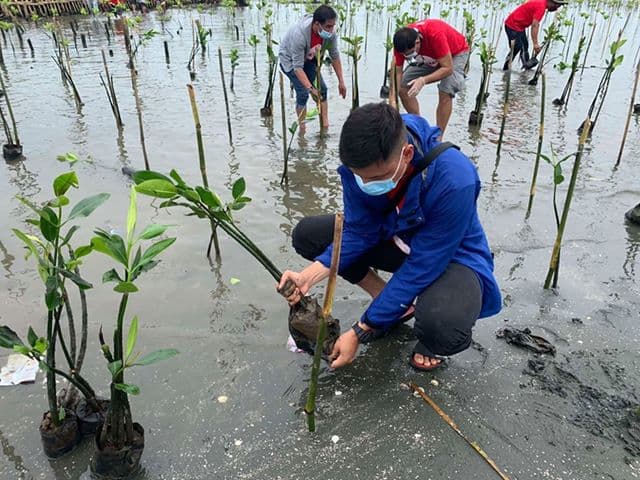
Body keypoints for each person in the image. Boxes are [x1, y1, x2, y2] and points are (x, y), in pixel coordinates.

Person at [278, 103, 501, 371]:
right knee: (310, 236)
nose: (367, 185)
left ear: (406, 154)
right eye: (361, 178)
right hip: (395, 238)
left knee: (441, 325)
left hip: (449, 256)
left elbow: (422, 265)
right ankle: (388, 298)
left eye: (378, 178)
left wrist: (361, 330)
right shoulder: (360, 162)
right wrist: (308, 276)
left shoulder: (455, 178)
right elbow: (359, 230)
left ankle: (430, 340)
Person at [390, 19, 469, 138]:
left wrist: (423, 80)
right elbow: (397, 73)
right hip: (429, 57)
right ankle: (419, 126)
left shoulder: (434, 34)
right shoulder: (401, 42)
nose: (407, 57)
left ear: (417, 41)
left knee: (446, 89)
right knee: (403, 86)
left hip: (454, 54)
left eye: (410, 54)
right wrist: (392, 101)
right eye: (405, 55)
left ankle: (438, 137)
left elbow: (448, 68)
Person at [279, 5, 347, 130]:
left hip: (310, 57)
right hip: (290, 61)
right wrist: (310, 88)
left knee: (322, 90)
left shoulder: (330, 34)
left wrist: (341, 82)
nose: (331, 30)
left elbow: (334, 56)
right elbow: (298, 67)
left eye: (333, 26)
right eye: (328, 26)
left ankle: (325, 125)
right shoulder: (299, 34)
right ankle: (302, 129)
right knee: (303, 92)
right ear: (317, 24)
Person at [503, 0, 568, 70]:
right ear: (551, 1)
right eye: (556, 5)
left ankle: (526, 68)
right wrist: (535, 44)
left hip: (520, 27)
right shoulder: (541, 7)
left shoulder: (541, 3)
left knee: (524, 46)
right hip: (512, 25)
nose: (556, 8)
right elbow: (535, 25)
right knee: (517, 46)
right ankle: (506, 69)